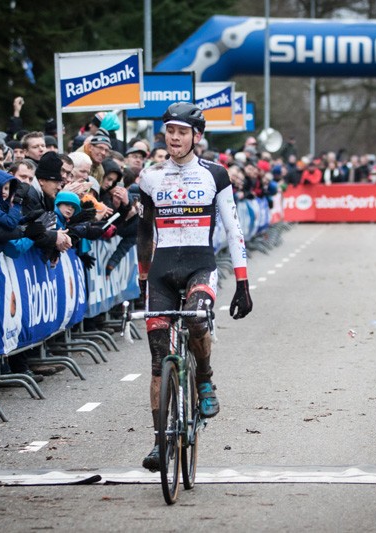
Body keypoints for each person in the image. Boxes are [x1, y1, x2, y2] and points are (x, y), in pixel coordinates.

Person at [137, 102, 253, 471]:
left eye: (182, 132)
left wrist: (243, 283)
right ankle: (159, 443)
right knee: (158, 361)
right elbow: (143, 231)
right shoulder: (150, 176)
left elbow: (234, 229)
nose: (174, 137)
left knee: (196, 319)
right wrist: (142, 276)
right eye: (170, 130)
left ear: (196, 137)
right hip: (162, 272)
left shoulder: (215, 175)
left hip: (200, 267)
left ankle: (204, 378)